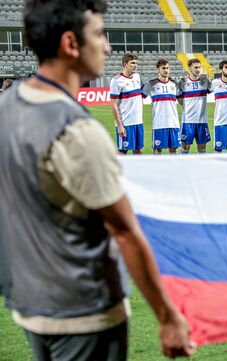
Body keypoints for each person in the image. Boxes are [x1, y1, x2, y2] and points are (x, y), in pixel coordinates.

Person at [0, 1, 196, 359]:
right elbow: (125, 232)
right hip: (84, 313)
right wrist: (168, 316)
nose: (106, 46)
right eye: (99, 35)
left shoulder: (7, 106)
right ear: (71, 44)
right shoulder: (78, 132)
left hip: (29, 303)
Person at [141, 59, 180, 154]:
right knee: (157, 150)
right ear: (158, 69)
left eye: (167, 68)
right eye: (163, 68)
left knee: (174, 149)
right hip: (159, 123)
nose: (166, 70)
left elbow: (181, 100)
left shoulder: (174, 84)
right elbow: (139, 98)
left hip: (173, 123)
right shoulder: (151, 84)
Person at [110, 53, 144, 155]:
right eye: (132, 63)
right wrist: (120, 126)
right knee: (122, 151)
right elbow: (113, 104)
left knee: (138, 151)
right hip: (126, 123)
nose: (135, 65)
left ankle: (137, 171)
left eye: (136, 63)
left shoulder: (137, 77)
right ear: (125, 64)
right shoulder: (116, 81)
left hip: (138, 122)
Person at [178, 58, 211, 154]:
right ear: (189, 68)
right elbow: (180, 102)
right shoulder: (182, 83)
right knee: (185, 149)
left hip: (202, 121)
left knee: (202, 150)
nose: (198, 69)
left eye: (199, 67)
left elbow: (215, 89)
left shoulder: (205, 81)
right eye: (195, 67)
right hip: (188, 121)